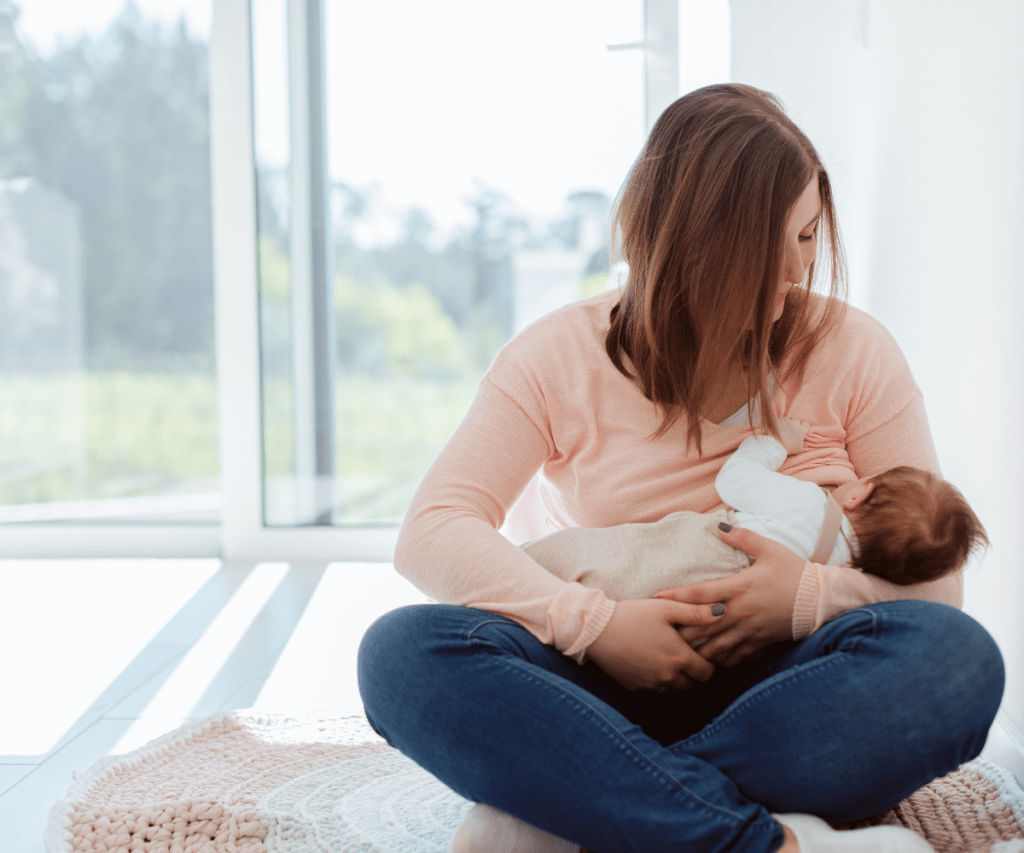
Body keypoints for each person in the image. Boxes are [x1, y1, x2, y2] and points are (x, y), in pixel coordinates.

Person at [357, 83, 1005, 852]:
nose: (799, 272)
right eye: (777, 249)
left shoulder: (853, 350)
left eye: (807, 238)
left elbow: (939, 590)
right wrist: (598, 626)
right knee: (402, 654)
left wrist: (805, 598)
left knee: (956, 663)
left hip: (786, 686)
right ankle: (743, 837)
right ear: (694, 247)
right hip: (596, 684)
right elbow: (431, 531)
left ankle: (573, 806)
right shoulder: (555, 356)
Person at [523, 418, 989, 601]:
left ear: (855, 495)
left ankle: (520, 566)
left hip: (690, 553)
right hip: (709, 617)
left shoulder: (808, 502)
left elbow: (736, 481)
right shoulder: (844, 576)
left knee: (585, 555)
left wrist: (772, 444)